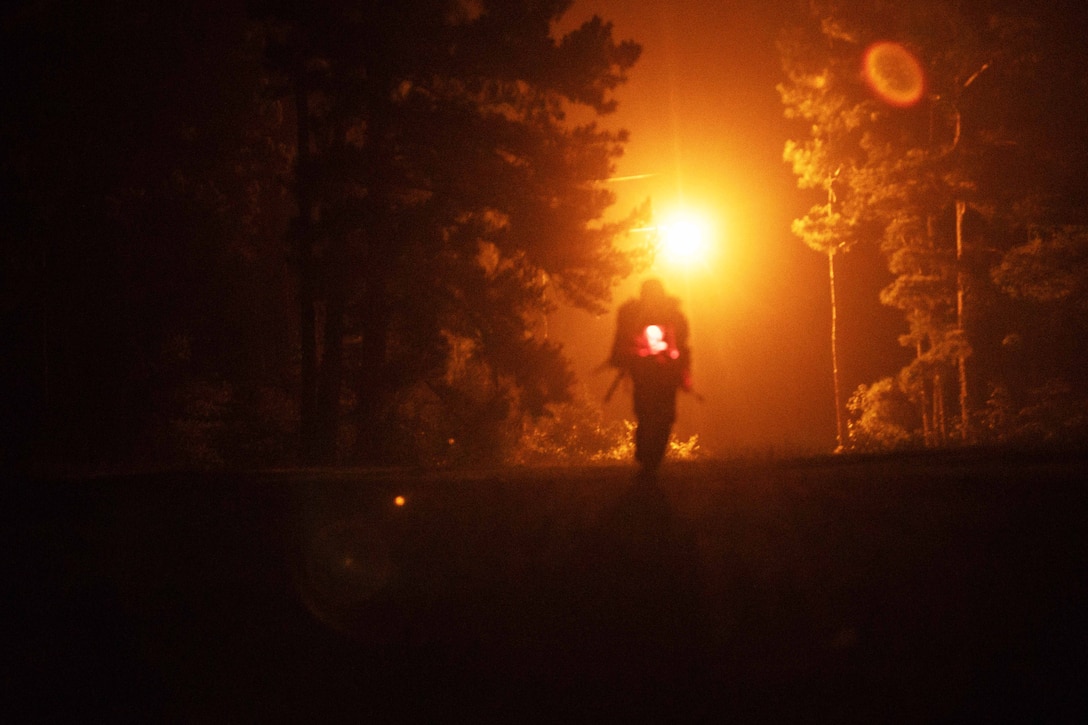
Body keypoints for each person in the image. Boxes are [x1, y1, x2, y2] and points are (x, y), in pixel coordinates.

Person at [608, 278, 692, 479]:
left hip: (665, 374)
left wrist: (683, 372)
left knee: (662, 415)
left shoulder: (673, 316)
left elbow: (682, 346)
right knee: (647, 413)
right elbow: (622, 340)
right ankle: (647, 456)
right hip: (646, 374)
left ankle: (651, 458)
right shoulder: (633, 315)